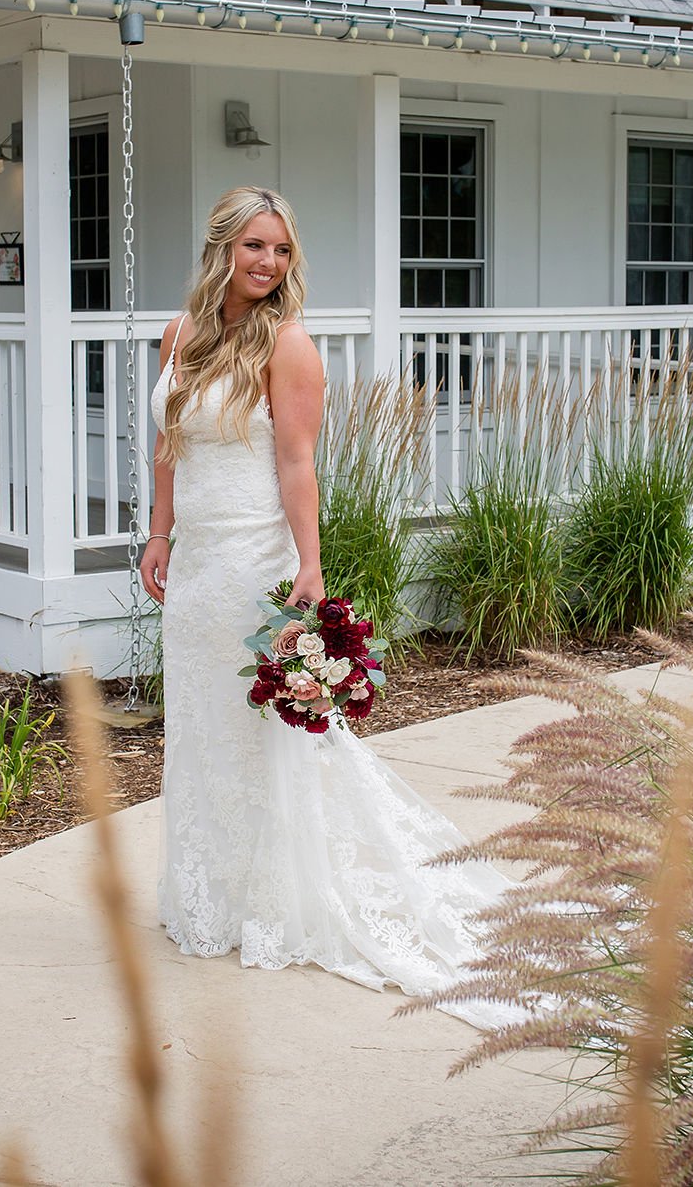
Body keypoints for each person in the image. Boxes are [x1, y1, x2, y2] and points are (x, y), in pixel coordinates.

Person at [138, 186, 516, 1027]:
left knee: (264, 734)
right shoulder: (181, 334)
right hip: (195, 573)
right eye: (254, 247)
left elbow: (298, 465)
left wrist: (311, 564)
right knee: (201, 728)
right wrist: (158, 534)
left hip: (253, 564)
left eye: (280, 250)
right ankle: (213, 893)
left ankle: (279, 895)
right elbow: (169, 446)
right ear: (222, 249)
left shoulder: (292, 346)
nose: (268, 263)